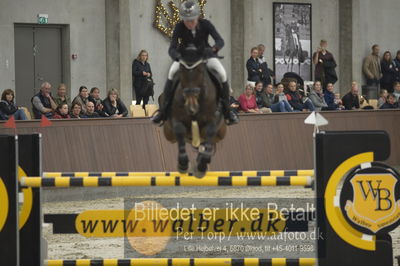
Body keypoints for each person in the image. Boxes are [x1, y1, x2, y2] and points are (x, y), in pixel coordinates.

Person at [151, 0, 238, 125]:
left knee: (222, 74)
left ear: (197, 17)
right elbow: (172, 48)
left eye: (192, 20)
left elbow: (220, 41)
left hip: (205, 56)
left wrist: (214, 49)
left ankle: (227, 110)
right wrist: (177, 56)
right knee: (171, 74)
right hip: (185, 58)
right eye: (186, 20)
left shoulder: (206, 24)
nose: (189, 23)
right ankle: (163, 111)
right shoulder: (179, 26)